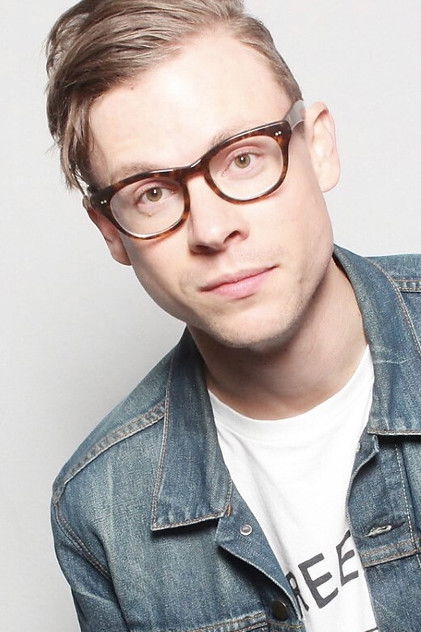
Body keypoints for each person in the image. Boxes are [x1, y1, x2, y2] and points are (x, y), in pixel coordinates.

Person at [46, 1, 421, 631]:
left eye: (243, 158)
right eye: (152, 193)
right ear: (111, 231)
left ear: (318, 146)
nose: (213, 229)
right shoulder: (100, 509)